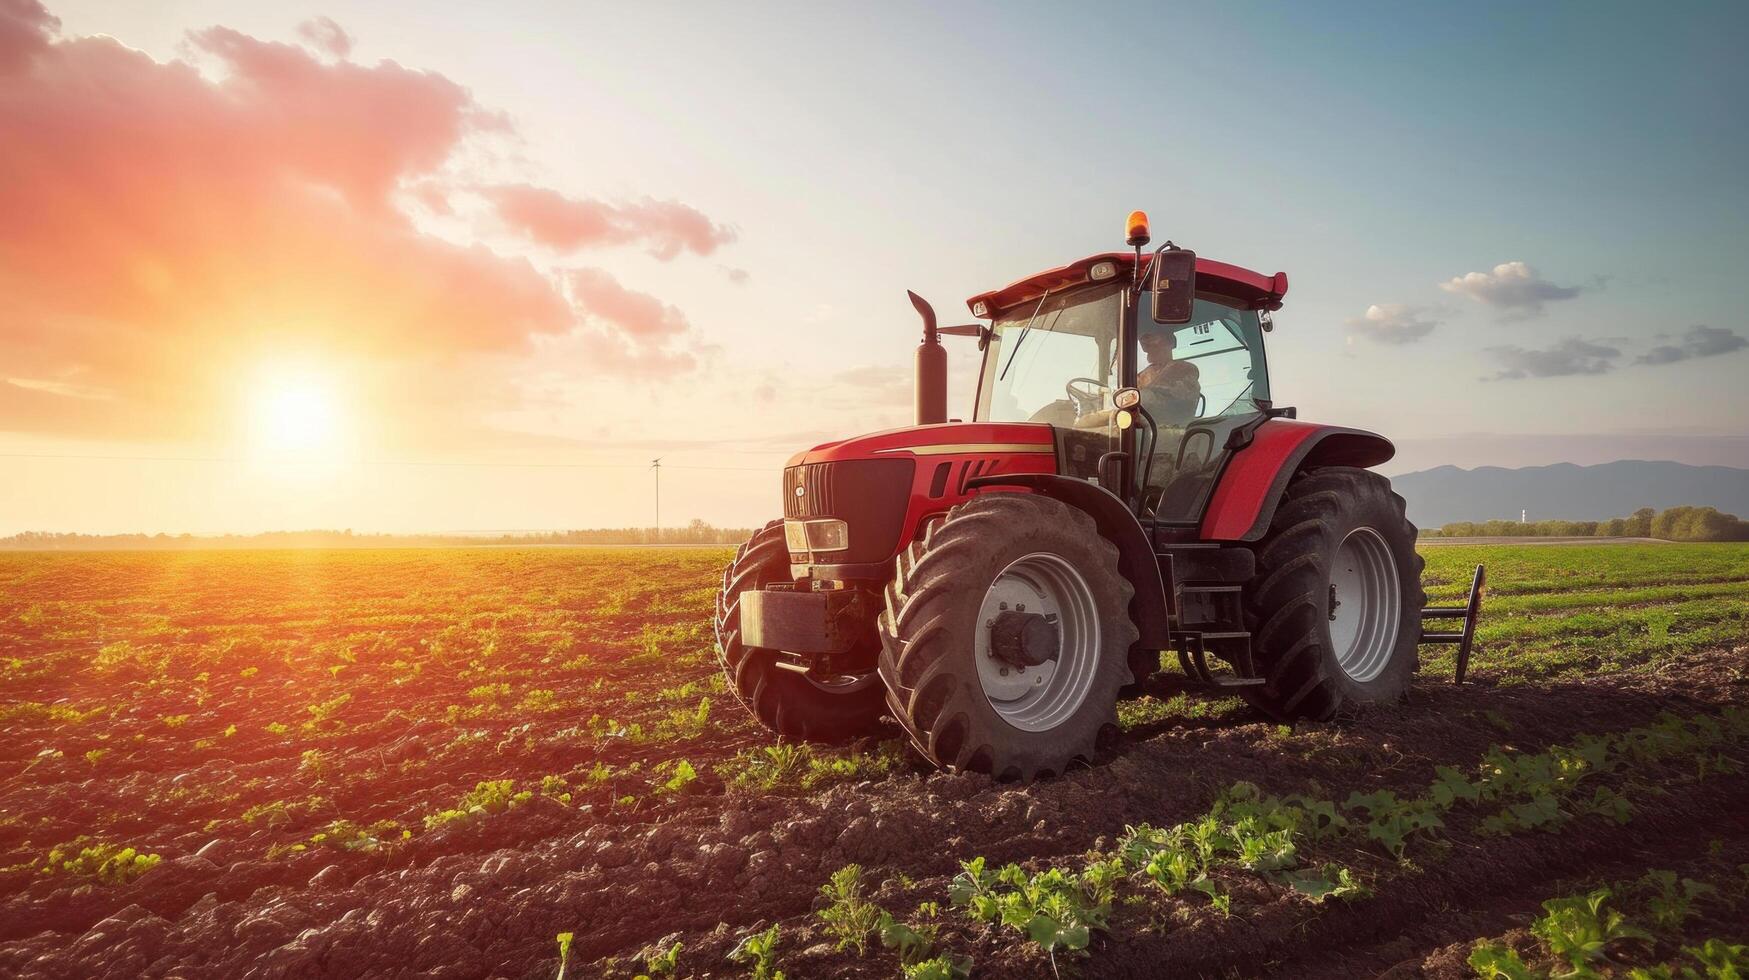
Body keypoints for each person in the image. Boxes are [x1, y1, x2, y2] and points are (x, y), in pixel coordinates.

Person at [1137, 324, 1200, 424]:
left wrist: (1134, 397)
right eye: (1145, 343)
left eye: (1155, 341)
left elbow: (1145, 399)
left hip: (1174, 432)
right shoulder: (1142, 375)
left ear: (1170, 342)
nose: (1149, 347)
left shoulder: (1184, 369)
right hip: (1143, 431)